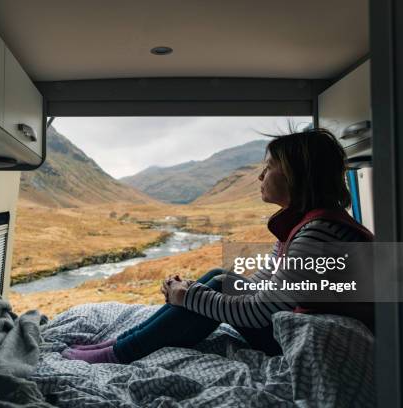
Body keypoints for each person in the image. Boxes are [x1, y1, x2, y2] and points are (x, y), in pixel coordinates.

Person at [62, 129, 374, 364]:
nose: (261, 176)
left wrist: (189, 297)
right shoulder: (308, 225)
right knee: (219, 278)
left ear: (297, 175)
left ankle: (118, 353)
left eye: (270, 166)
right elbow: (258, 287)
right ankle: (121, 344)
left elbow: (259, 313)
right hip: (293, 322)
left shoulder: (317, 235)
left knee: (207, 292)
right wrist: (193, 294)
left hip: (303, 342)